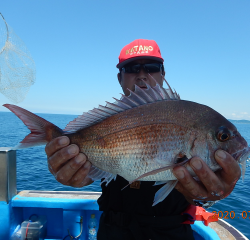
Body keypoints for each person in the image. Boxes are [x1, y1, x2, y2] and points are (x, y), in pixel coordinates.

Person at [45, 39, 241, 240]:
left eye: (151, 67)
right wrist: (73, 173)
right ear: (119, 77)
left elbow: (203, 196)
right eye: (131, 68)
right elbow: (92, 172)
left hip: (171, 233)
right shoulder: (108, 121)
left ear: (163, 74)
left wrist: (210, 196)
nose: (141, 75)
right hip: (113, 232)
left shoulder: (189, 116)